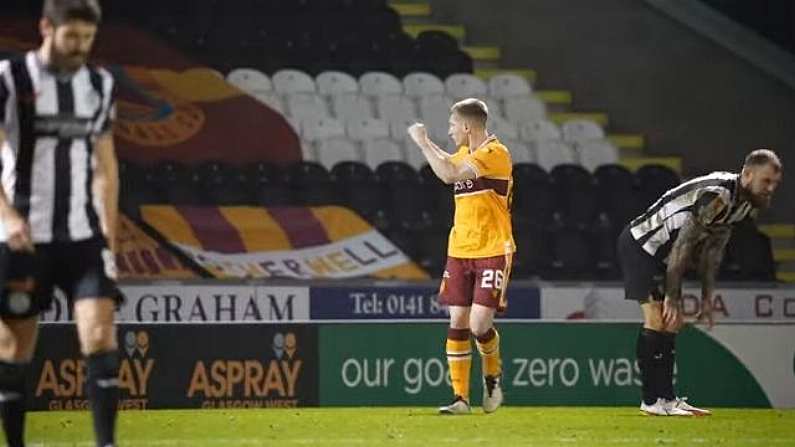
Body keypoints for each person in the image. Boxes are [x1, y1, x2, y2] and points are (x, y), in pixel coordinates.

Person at [0, 0, 121, 445]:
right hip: (24, 238)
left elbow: (105, 167)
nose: (80, 47)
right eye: (72, 36)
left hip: (83, 236)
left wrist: (109, 240)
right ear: (45, 28)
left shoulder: (99, 84)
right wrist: (8, 216)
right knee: (14, 350)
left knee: (101, 337)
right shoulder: (10, 79)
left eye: (88, 38)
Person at [617, 149, 783, 416]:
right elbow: (683, 246)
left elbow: (712, 253)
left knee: (673, 323)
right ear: (748, 174)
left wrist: (707, 296)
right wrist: (672, 296)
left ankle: (667, 400)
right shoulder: (718, 195)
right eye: (766, 181)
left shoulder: (741, 206)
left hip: (664, 255)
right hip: (641, 245)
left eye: (775, 184)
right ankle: (650, 401)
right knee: (657, 319)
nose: (770, 189)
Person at [408, 98, 515, 415]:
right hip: (460, 249)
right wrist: (430, 145)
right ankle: (460, 399)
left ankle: (492, 375)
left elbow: (448, 174)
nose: (450, 130)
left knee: (480, 323)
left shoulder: (496, 154)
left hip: (494, 247)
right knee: (457, 320)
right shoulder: (466, 154)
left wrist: (423, 142)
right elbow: (450, 161)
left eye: (453, 124)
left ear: (468, 126)